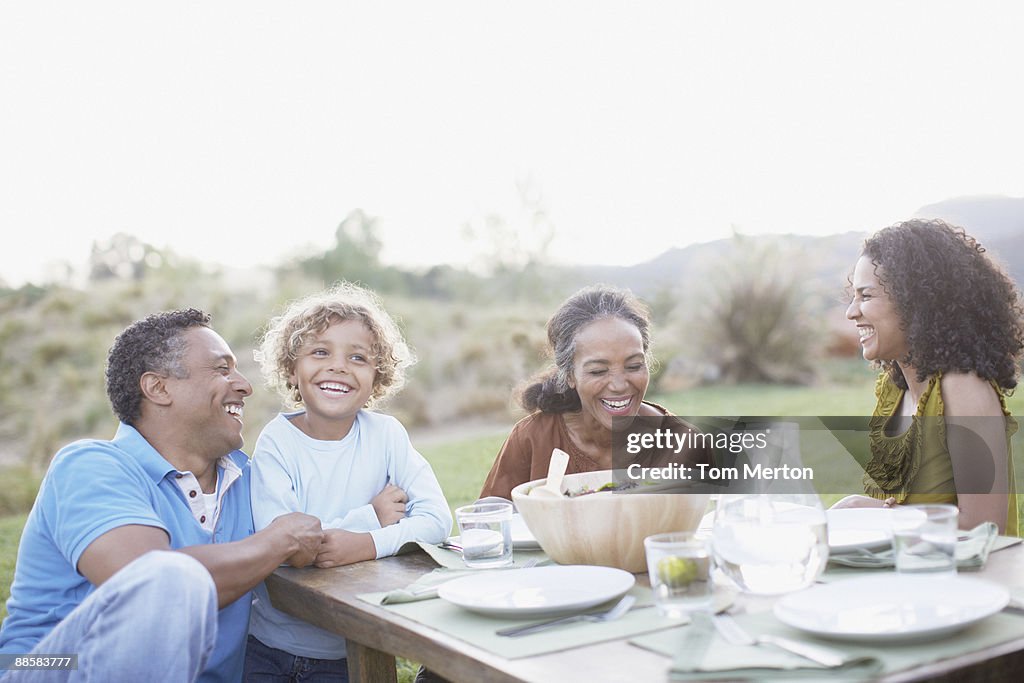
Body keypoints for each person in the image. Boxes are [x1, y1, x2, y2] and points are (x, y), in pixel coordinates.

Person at [0, 309, 324, 682]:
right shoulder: (91, 466)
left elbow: (320, 530)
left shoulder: (250, 478)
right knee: (168, 578)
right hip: (48, 665)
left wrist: (382, 516)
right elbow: (148, 583)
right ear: (158, 388)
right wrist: (277, 542)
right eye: (222, 369)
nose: (244, 385)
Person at [244, 282, 452, 681]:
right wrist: (369, 518)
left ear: (378, 376)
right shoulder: (277, 442)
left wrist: (365, 544)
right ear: (292, 367)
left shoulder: (386, 435)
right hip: (271, 648)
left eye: (358, 357)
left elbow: (437, 520)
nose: (339, 366)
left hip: (351, 648)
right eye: (320, 352)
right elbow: (287, 548)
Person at [835, 219, 1024, 534]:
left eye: (866, 296)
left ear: (915, 302)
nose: (851, 312)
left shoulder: (963, 388)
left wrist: (870, 515)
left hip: (967, 581)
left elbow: (984, 528)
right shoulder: (894, 389)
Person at [479, 285, 712, 500]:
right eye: (599, 371)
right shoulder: (532, 439)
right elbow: (488, 526)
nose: (619, 385)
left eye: (633, 366)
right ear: (570, 375)